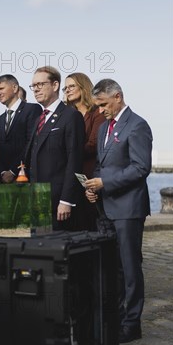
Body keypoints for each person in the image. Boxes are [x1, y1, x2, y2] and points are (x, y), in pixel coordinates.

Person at [84, 79, 152, 344]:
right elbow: (102, 166)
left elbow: (140, 168)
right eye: (98, 106)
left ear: (118, 96)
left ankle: (132, 324)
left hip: (128, 209)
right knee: (114, 269)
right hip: (106, 208)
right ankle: (116, 317)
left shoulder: (138, 125)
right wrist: (94, 186)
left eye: (103, 105)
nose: (101, 111)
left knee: (130, 268)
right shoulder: (103, 129)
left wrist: (105, 183)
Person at [25, 66, 85, 231]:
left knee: (57, 250)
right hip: (36, 198)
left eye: (40, 84)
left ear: (55, 85)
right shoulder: (39, 119)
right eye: (33, 86)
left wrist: (66, 200)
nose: (36, 89)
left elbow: (75, 160)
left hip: (57, 201)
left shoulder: (71, 116)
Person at [64, 72, 105, 231]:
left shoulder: (96, 113)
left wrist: (69, 152)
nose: (67, 90)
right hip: (70, 177)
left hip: (89, 175)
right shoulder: (67, 115)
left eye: (72, 86)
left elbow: (94, 143)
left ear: (83, 87)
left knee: (90, 225)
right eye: (65, 88)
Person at [0, 74, 42, 184]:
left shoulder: (32, 109)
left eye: (1, 89)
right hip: (3, 180)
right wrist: (2, 172)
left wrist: (13, 171)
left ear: (15, 88)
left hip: (25, 177)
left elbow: (32, 143)